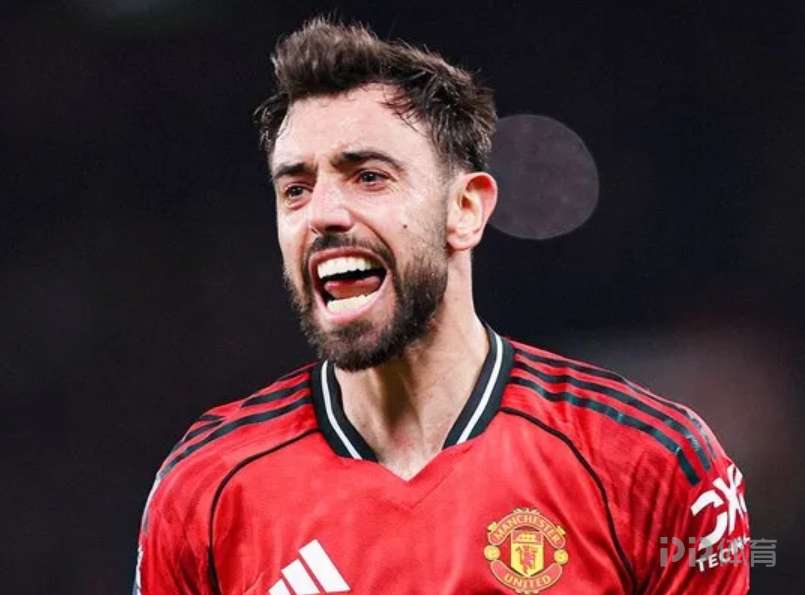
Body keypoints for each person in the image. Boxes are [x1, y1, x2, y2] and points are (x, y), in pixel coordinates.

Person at [135, 18, 750, 595]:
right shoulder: (206, 489)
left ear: (466, 209)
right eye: (295, 189)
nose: (322, 214)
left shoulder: (649, 465)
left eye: (368, 176)